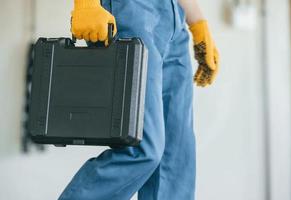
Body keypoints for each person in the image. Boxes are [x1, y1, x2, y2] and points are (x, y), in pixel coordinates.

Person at [59, 0, 219, 199]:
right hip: (130, 11)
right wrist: (86, 3)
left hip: (175, 20)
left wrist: (197, 23)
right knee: (142, 148)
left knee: (176, 157)